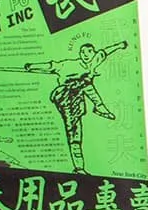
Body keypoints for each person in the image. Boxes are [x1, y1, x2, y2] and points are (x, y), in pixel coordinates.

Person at [24, 42, 126, 173]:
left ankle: (79, 168)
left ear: (93, 53)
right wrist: (32, 66)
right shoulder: (68, 65)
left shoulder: (94, 61)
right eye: (83, 52)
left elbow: (105, 51)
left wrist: (120, 45)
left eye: (89, 52)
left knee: (77, 131)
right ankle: (99, 106)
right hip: (65, 97)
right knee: (73, 132)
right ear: (79, 54)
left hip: (78, 97)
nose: (86, 55)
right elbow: (51, 66)